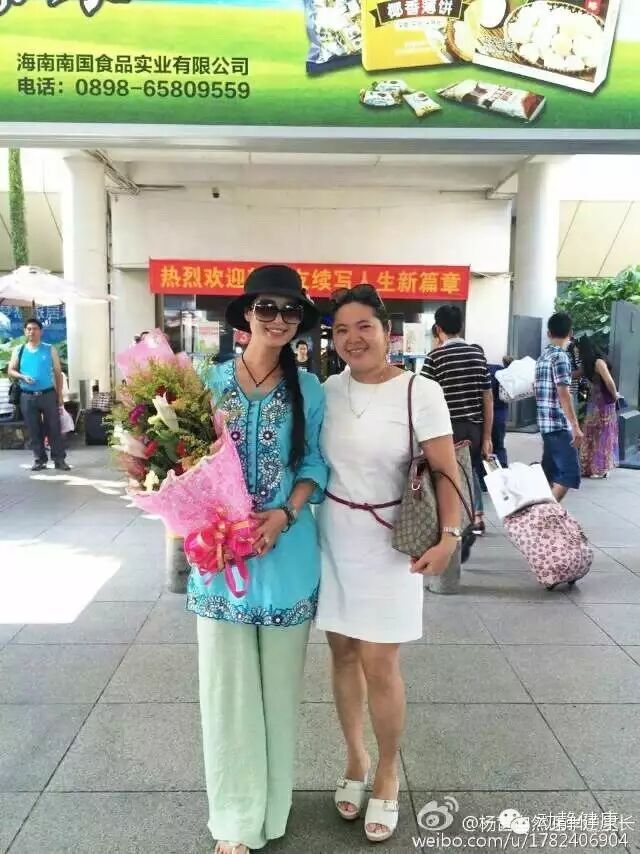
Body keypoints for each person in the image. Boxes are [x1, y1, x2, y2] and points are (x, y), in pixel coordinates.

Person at [186, 265, 328, 854]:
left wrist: (285, 514)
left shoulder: (310, 389)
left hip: (286, 555)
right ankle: (235, 820)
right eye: (266, 307)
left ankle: (272, 810)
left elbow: (314, 464)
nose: (278, 318)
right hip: (220, 558)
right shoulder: (206, 382)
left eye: (290, 310)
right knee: (227, 692)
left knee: (278, 695)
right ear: (246, 314)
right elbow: (183, 461)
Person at [316, 284, 461, 843]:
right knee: (342, 652)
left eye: (364, 327)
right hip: (334, 536)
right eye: (341, 330)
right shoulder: (327, 390)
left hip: (392, 540)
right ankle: (355, 758)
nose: (353, 339)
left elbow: (446, 469)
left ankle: (387, 771)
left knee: (380, 661)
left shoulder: (420, 390)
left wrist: (449, 536)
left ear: (387, 333)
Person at [422, 305, 493, 536]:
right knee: (469, 469)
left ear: (438, 328)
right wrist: (487, 436)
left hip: (446, 428)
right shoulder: (477, 356)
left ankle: (451, 520)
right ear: (461, 326)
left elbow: (423, 397)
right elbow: (488, 398)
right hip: (474, 427)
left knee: (447, 474)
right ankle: (477, 516)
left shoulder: (435, 357)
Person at [8, 318, 70, 472]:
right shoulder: (19, 350)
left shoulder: (49, 349)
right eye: (28, 329)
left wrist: (59, 395)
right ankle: (39, 460)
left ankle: (59, 459)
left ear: (41, 331)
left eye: (35, 329)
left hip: (48, 394)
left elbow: (57, 373)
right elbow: (11, 370)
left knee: (54, 428)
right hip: (27, 396)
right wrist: (22, 377)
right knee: (33, 429)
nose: (32, 332)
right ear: (25, 331)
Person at [535, 312, 583, 501]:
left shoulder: (542, 357)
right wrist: (575, 426)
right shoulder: (560, 357)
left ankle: (539, 511)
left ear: (548, 333)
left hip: (545, 424)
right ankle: (546, 514)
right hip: (558, 424)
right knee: (569, 473)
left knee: (549, 474)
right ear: (570, 333)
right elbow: (564, 393)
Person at [577, 336, 619, 479]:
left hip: (604, 403)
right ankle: (589, 467)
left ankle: (601, 468)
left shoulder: (598, 362)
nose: (577, 354)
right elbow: (575, 375)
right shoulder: (587, 364)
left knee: (602, 434)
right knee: (591, 433)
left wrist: (615, 396)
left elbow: (609, 381)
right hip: (594, 403)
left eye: (578, 351)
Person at [488, 356, 513, 468]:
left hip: (487, 415)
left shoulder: (484, 371)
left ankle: (490, 471)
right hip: (500, 415)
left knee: (487, 446)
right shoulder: (501, 371)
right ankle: (503, 469)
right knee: (499, 445)